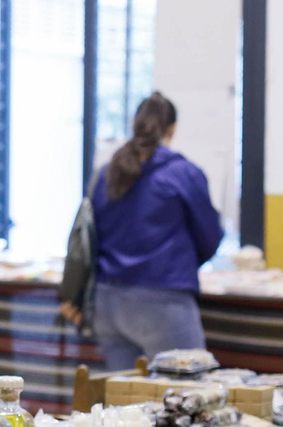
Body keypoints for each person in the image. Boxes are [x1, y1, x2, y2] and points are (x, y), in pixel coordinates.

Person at [78, 92, 224, 371]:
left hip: (108, 302)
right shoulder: (183, 173)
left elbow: (91, 235)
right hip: (163, 301)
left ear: (135, 124)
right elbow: (210, 236)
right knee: (185, 396)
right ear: (173, 128)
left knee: (125, 402)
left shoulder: (106, 173)